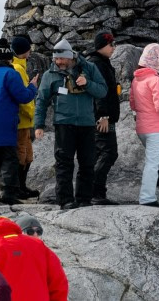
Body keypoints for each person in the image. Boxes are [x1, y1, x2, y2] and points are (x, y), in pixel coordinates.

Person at [33, 38, 107, 210]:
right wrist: (39, 125)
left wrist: (87, 83)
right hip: (63, 124)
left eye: (61, 59)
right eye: (56, 59)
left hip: (87, 124)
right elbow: (42, 101)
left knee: (88, 162)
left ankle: (84, 199)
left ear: (70, 57)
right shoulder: (49, 75)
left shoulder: (89, 68)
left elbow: (103, 91)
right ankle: (65, 200)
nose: (58, 62)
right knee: (64, 163)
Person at [0, 38, 38, 205]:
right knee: (10, 158)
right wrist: (32, 86)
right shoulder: (10, 74)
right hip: (4, 123)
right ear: (9, 58)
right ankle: (8, 194)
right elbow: (23, 97)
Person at [0, 211, 68, 301]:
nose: (35, 234)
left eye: (38, 231)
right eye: (30, 231)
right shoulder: (38, 245)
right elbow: (59, 284)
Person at [130, 44, 159, 208]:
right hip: (155, 128)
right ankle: (147, 198)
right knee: (152, 162)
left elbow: (133, 103)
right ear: (157, 61)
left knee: (154, 156)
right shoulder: (155, 80)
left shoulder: (136, 79)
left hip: (142, 128)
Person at [89, 31, 121, 205]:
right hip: (102, 118)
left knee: (101, 153)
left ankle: (95, 191)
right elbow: (99, 94)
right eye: (111, 45)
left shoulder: (102, 63)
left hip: (105, 117)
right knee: (109, 152)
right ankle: (96, 192)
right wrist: (103, 116)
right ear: (101, 45)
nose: (113, 48)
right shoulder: (97, 65)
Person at [11, 35, 40, 199]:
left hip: (25, 122)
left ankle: (21, 187)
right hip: (22, 122)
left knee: (27, 155)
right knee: (21, 155)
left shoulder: (18, 67)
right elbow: (23, 97)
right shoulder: (18, 69)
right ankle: (18, 188)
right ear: (25, 51)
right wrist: (32, 113)